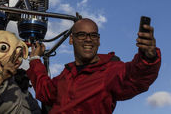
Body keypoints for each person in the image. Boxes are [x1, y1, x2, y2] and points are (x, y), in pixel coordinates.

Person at [27, 18, 161, 113]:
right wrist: (35, 59)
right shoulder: (65, 75)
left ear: (98, 41)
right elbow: (45, 90)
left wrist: (149, 57)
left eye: (93, 35)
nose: (88, 39)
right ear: (71, 39)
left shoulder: (110, 70)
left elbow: (136, 77)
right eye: (81, 35)